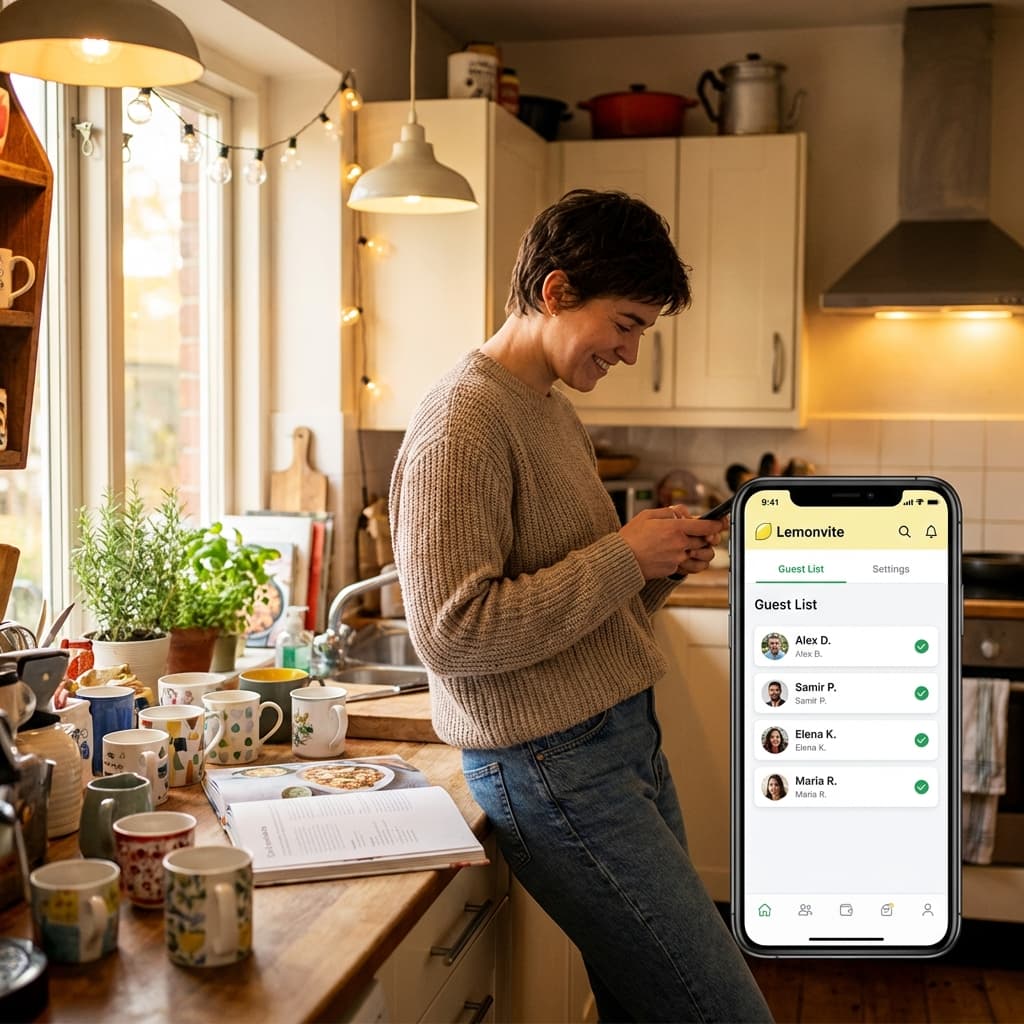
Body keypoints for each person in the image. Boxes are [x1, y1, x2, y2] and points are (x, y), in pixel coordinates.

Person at [390, 189, 772, 1023]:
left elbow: (577, 592)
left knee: (650, 1007)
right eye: (627, 323)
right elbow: (454, 632)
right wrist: (622, 555)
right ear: (557, 292)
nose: (632, 353)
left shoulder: (552, 411)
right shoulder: (462, 421)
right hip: (554, 768)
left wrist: (655, 563)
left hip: (621, 741)